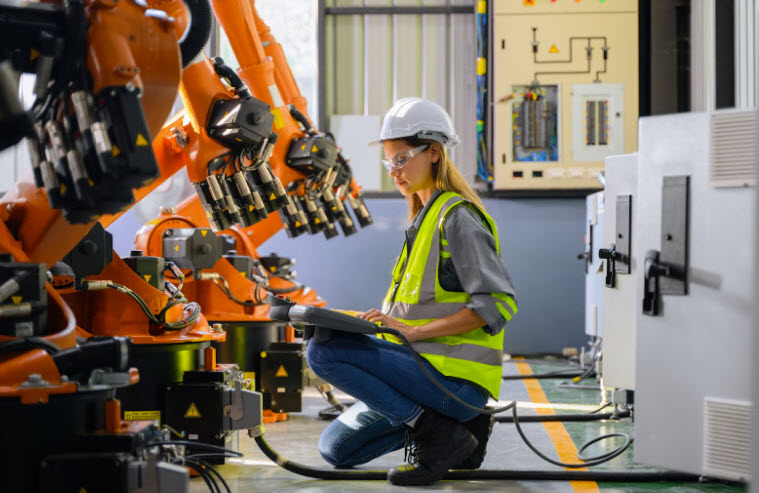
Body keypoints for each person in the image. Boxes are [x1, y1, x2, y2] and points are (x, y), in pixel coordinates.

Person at [306, 97, 517, 486]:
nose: (394, 172)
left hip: (453, 381)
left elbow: (498, 305)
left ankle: (441, 432)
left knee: (323, 352)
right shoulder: (422, 220)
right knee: (336, 450)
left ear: (433, 152)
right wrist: (361, 323)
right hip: (419, 370)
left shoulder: (458, 218)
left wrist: (413, 332)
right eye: (390, 163)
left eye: (401, 159)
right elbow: (415, 311)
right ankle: (463, 431)